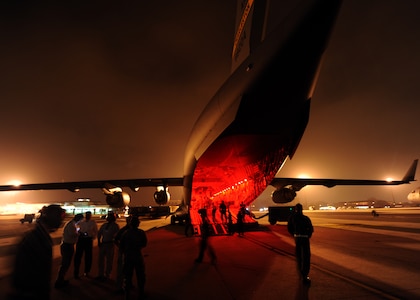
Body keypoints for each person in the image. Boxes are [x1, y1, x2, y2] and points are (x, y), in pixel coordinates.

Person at [9, 204, 65, 300]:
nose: (61, 222)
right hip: (31, 293)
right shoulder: (37, 239)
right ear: (53, 218)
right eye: (60, 218)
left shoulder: (39, 236)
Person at [120, 216, 148, 299]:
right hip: (137, 255)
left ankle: (127, 294)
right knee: (140, 275)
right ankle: (141, 292)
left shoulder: (125, 233)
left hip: (128, 256)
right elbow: (144, 244)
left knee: (127, 276)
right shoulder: (141, 233)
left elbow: (121, 245)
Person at [55, 213, 84, 288]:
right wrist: (79, 233)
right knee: (65, 264)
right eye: (81, 220)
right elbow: (72, 234)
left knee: (65, 264)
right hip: (67, 245)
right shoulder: (72, 225)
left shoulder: (71, 223)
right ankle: (59, 281)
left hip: (67, 245)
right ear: (79, 219)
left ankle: (61, 279)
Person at [287, 203, 314, 284]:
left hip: (297, 238)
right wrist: (308, 235)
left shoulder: (292, 218)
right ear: (302, 209)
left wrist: (294, 234)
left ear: (295, 209)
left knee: (299, 256)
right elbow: (311, 228)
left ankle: (301, 273)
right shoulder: (305, 218)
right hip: (305, 238)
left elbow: (289, 228)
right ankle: (305, 274)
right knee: (306, 256)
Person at [73, 211, 98, 278]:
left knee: (88, 257)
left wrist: (91, 236)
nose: (87, 216)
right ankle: (76, 272)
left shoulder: (93, 222)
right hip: (81, 240)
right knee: (78, 256)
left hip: (88, 240)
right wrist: (79, 233)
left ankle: (87, 271)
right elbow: (76, 229)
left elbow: (95, 231)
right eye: (86, 215)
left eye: (89, 215)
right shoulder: (81, 222)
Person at [96, 212, 120, 280]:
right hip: (103, 243)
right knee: (101, 260)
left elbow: (117, 235)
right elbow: (99, 233)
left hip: (110, 244)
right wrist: (99, 241)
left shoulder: (115, 226)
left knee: (109, 260)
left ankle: (107, 274)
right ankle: (101, 274)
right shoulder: (104, 225)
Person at [114, 215, 133, 294]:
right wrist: (121, 248)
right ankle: (119, 287)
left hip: (130, 253)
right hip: (125, 253)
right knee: (122, 270)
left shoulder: (124, 230)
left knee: (129, 270)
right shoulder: (124, 231)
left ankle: (128, 284)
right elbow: (115, 240)